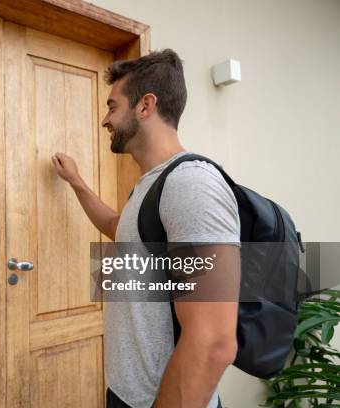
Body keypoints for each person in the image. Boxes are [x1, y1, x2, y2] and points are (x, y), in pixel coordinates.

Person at [51, 49, 241, 408]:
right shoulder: (150, 186)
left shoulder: (190, 184)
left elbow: (215, 342)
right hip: (128, 393)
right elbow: (116, 226)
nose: (105, 120)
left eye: (112, 106)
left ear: (145, 106)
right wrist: (76, 182)